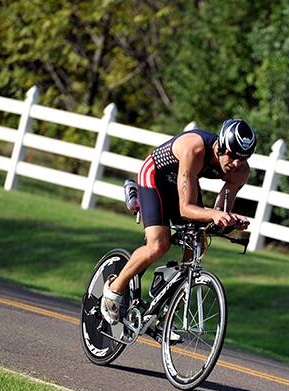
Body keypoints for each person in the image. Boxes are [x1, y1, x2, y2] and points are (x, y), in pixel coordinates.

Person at [100, 118, 256, 324]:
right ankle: (114, 290)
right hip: (155, 177)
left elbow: (219, 213)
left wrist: (229, 220)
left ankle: (168, 306)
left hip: (183, 181)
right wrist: (215, 215)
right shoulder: (195, 149)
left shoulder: (241, 170)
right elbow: (186, 208)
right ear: (220, 147)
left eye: (243, 158)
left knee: (198, 241)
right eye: (233, 155)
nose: (237, 163)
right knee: (158, 244)